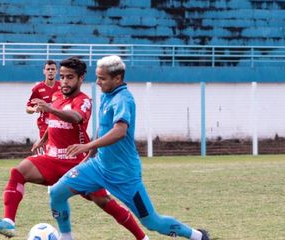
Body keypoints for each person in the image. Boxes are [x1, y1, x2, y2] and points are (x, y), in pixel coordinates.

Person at [49, 55, 210, 240]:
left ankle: (198, 236)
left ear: (117, 79)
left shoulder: (123, 99)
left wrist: (87, 145)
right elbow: (103, 129)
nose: (98, 82)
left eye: (102, 78)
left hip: (124, 174)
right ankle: (66, 237)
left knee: (152, 222)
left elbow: (119, 131)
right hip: (99, 167)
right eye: (97, 77)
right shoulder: (107, 96)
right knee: (56, 193)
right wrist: (88, 157)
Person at [0, 57, 148, 240]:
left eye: (69, 77)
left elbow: (75, 117)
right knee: (18, 172)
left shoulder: (84, 101)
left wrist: (50, 109)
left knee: (104, 201)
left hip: (76, 163)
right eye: (62, 77)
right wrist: (43, 139)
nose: (64, 81)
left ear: (81, 78)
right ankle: (9, 222)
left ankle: (142, 237)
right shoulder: (56, 97)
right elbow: (55, 122)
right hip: (52, 159)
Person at [26, 60, 60, 138]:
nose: (50, 71)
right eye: (48, 69)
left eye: (53, 69)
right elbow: (28, 109)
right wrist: (34, 109)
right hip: (44, 127)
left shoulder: (62, 87)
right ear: (44, 71)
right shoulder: (38, 88)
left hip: (60, 125)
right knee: (46, 149)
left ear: (56, 71)